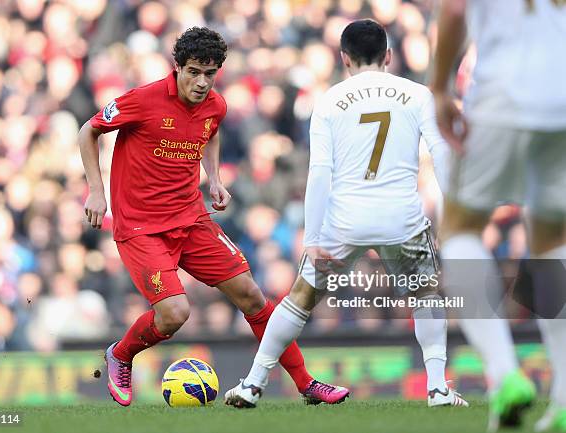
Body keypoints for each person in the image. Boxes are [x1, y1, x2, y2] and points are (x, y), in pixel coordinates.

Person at [78, 27, 348, 407]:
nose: (202, 82)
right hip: (142, 229)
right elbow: (89, 130)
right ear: (178, 68)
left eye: (210, 73)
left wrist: (215, 178)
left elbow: (211, 131)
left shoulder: (216, 105)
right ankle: (121, 354)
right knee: (174, 314)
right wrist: (95, 190)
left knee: (253, 296)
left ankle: (306, 384)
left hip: (191, 220)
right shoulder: (143, 100)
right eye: (194, 72)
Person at [225, 19, 467, 409]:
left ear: (344, 58)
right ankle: (438, 387)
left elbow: (319, 173)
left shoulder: (329, 101)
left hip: (344, 220)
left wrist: (315, 237)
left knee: (299, 300)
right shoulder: (418, 94)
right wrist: (454, 217)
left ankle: (253, 384)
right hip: (401, 218)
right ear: (388, 55)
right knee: (427, 293)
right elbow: (442, 156)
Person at [432, 0, 566, 431]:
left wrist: (438, 88)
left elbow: (454, 11)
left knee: (459, 226)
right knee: (553, 240)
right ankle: (563, 400)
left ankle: (505, 375)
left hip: (501, 95)